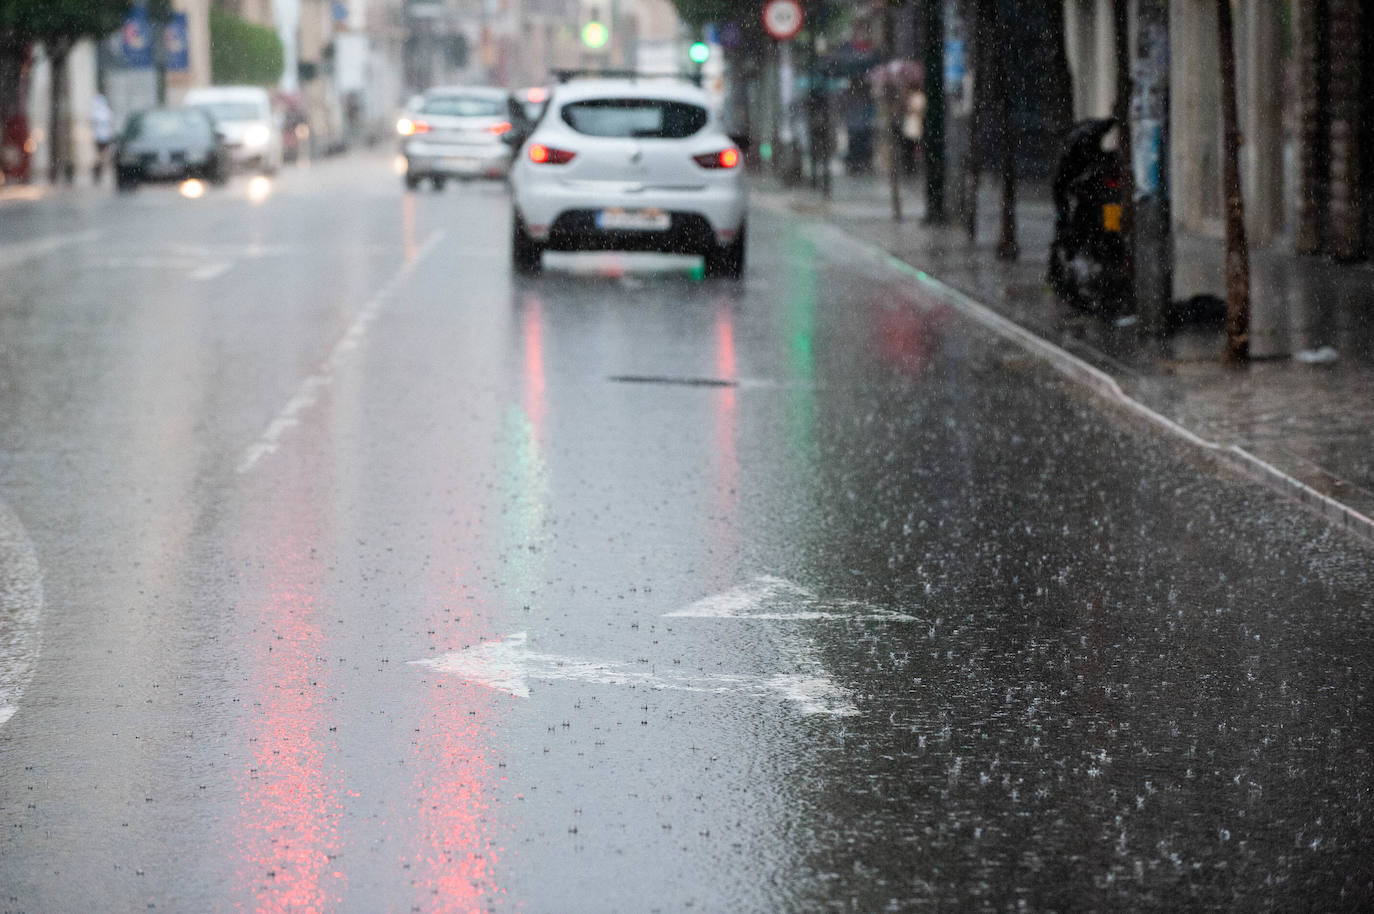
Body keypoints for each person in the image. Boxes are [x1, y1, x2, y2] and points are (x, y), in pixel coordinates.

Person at [90, 93, 114, 183]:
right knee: (102, 156)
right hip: (103, 137)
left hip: (101, 137)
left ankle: (98, 171)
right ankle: (98, 170)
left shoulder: (97, 112)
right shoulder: (105, 112)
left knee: (101, 156)